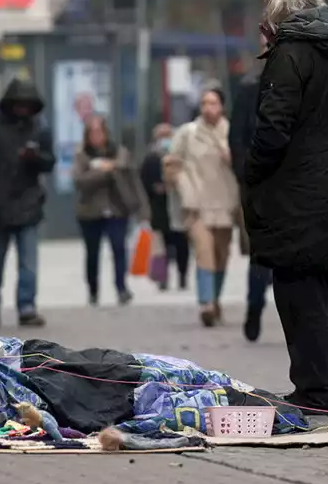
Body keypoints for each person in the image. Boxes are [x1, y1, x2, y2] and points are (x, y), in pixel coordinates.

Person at [243, 0, 328, 415]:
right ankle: (314, 387)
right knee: (318, 296)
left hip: (297, 195)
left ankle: (314, 394)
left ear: (276, 2)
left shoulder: (290, 55)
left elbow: (274, 129)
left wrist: (253, 171)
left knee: (297, 296)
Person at [0, 78, 55, 328]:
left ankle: (27, 308)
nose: (23, 110)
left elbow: (50, 162)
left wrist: (35, 157)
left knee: (28, 263)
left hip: (28, 204)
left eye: (27, 105)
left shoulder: (40, 128)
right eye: (19, 105)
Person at [167, 87, 240, 327]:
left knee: (221, 255)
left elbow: (248, 164)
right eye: (204, 103)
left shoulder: (233, 132)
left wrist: (231, 155)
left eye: (213, 103)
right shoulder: (188, 133)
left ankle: (215, 299)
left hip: (226, 204)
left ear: (222, 106)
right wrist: (182, 185)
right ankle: (206, 304)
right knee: (204, 250)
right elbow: (171, 163)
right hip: (196, 205)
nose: (208, 108)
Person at [73, 114, 149, 306]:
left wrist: (142, 209)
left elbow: (133, 181)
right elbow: (79, 181)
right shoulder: (82, 155)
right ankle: (93, 290)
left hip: (117, 209)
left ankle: (121, 287)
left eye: (100, 131)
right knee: (92, 253)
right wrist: (102, 171)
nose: (97, 136)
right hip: (90, 212)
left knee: (118, 248)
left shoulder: (120, 153)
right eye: (93, 132)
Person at [230, 45, 274, 342]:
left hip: (295, 183)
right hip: (259, 182)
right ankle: (255, 305)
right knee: (261, 252)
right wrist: (245, 175)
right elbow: (236, 138)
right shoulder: (249, 89)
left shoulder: (304, 87)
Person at [140, 123, 189, 291]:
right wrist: (154, 189)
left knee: (182, 244)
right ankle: (162, 277)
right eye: (162, 136)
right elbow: (144, 180)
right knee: (160, 245)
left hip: (178, 205)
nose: (165, 140)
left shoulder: (180, 155)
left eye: (168, 135)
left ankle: (183, 275)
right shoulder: (151, 158)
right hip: (158, 207)